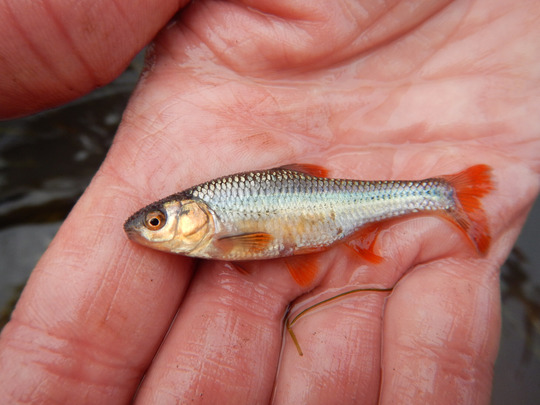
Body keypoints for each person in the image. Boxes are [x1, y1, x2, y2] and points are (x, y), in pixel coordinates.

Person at [1, 1, 539, 403]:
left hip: (323, 215)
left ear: (191, 217)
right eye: (156, 221)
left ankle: (443, 193)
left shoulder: (219, 226)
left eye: (159, 220)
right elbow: (259, 243)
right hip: (315, 219)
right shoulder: (218, 223)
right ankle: (442, 195)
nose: (153, 228)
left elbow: (256, 243)